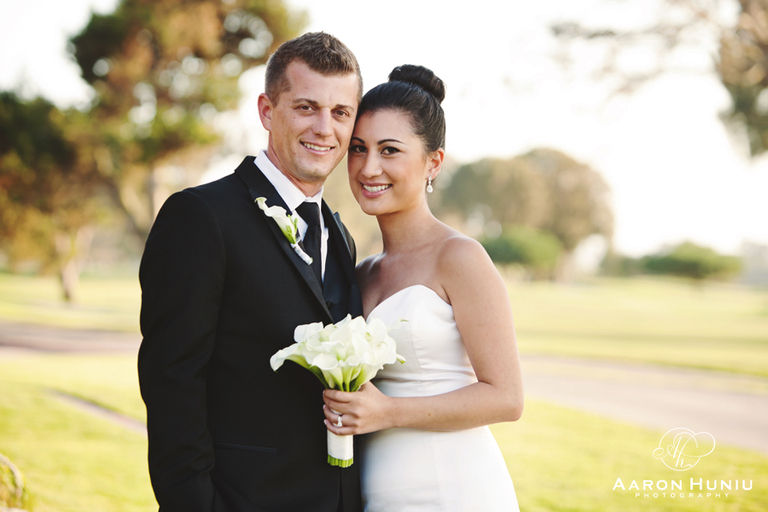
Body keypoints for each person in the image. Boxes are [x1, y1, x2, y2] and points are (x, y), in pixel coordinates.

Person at [138, 32, 364, 512]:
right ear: (267, 110)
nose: (325, 128)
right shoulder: (201, 217)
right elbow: (171, 383)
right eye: (306, 107)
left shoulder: (340, 237)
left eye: (340, 112)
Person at [322, 65, 524, 511]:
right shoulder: (360, 271)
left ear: (433, 162)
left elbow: (507, 398)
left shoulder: (460, 258)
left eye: (389, 150)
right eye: (359, 148)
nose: (369, 167)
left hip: (453, 489)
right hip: (377, 493)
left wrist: (388, 413)